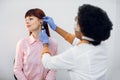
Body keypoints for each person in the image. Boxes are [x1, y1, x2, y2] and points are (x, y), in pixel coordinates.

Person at [40, 4, 113, 80]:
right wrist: (55, 27)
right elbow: (77, 41)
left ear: (84, 28)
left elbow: (47, 63)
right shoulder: (101, 45)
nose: (75, 25)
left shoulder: (77, 53)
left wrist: (45, 44)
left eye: (77, 21)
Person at [14, 8, 58, 80]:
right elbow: (17, 69)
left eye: (31, 19)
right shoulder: (22, 43)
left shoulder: (53, 43)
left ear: (41, 21)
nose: (27, 22)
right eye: (26, 20)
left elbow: (53, 69)